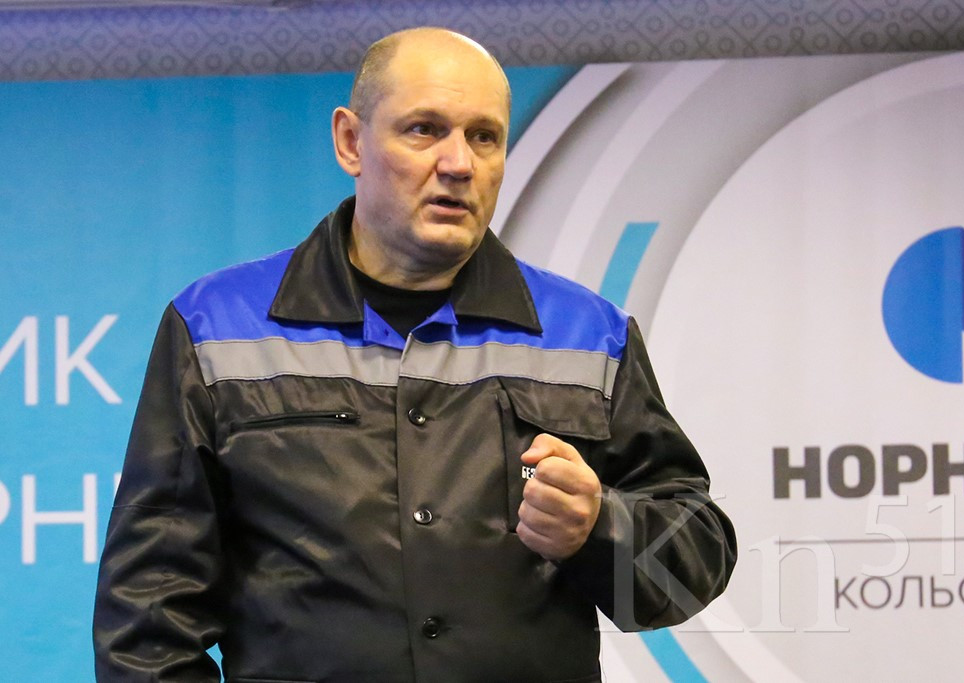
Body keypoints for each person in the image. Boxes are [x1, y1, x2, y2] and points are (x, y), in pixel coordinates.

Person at [93, 27, 736, 683]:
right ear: (351, 142)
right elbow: (149, 618)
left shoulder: (588, 334)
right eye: (425, 130)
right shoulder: (216, 326)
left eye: (483, 137)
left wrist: (600, 527)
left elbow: (695, 561)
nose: (459, 163)